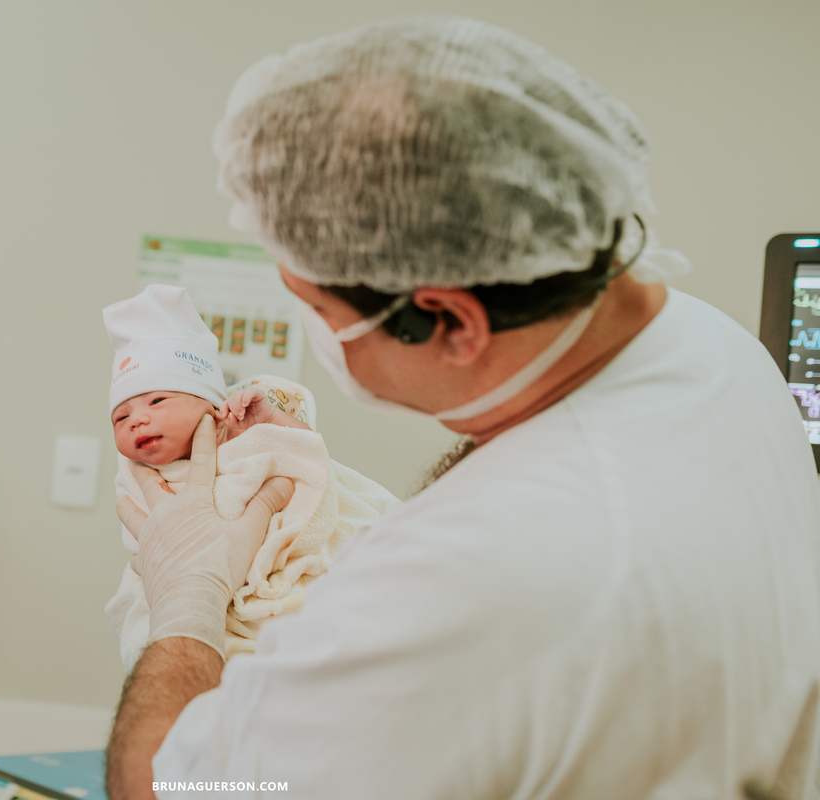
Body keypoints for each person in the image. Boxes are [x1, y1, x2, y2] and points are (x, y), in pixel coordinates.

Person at [104, 14, 820, 800]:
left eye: (316, 307)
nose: (318, 333)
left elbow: (163, 788)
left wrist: (187, 597)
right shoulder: (712, 344)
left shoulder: (471, 579)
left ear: (451, 319)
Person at [102, 284, 398, 669]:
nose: (137, 419)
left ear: (211, 405)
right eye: (120, 417)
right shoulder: (140, 482)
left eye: (157, 400)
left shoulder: (248, 438)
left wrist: (277, 423)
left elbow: (312, 467)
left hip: (281, 575)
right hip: (189, 598)